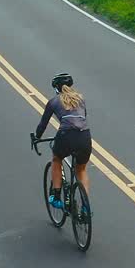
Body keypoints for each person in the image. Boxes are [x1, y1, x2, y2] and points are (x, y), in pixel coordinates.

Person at [34, 73, 92, 211]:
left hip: (66, 135)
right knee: (81, 169)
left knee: (56, 159)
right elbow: (82, 117)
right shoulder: (81, 98)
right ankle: (86, 207)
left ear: (56, 88)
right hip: (84, 136)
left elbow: (43, 125)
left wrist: (37, 137)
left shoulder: (54, 101)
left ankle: (56, 196)